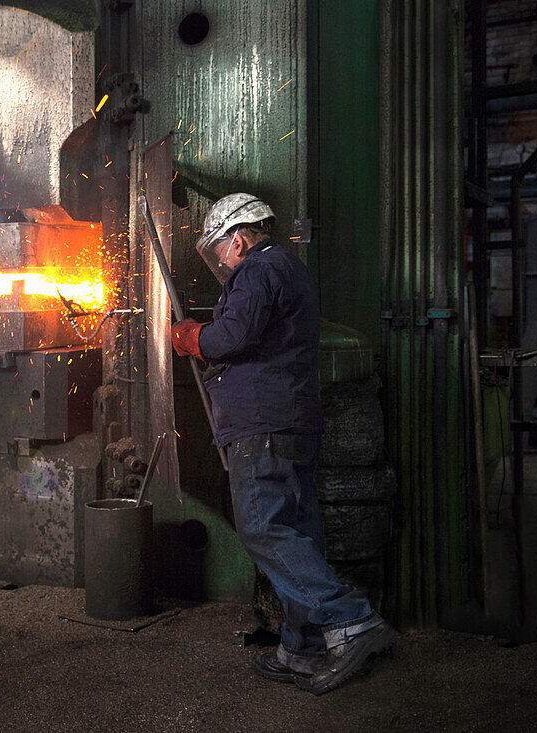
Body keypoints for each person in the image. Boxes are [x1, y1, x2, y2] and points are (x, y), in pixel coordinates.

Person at [171, 193, 394, 695]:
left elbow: (232, 336)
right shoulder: (289, 269)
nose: (222, 261)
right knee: (296, 530)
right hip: (291, 421)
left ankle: (351, 620)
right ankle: (303, 647)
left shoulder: (256, 270)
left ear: (239, 237)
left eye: (221, 250)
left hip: (263, 424)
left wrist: (192, 338)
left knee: (263, 528)